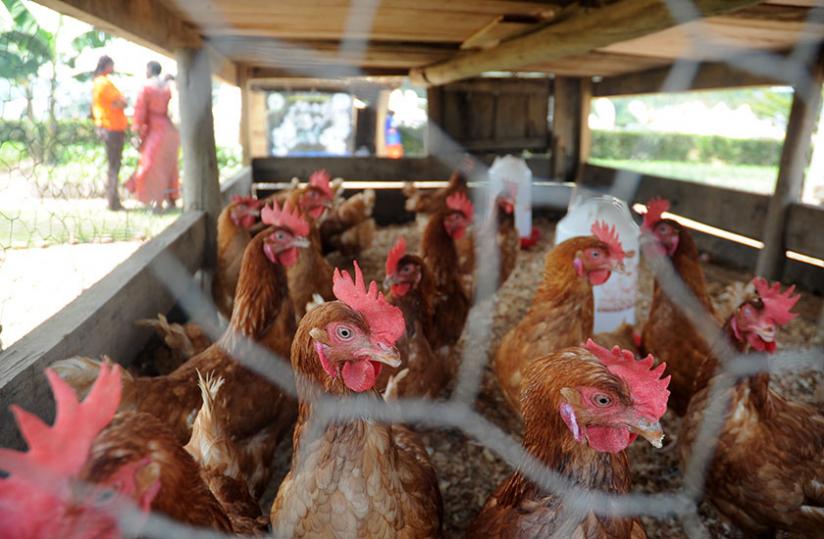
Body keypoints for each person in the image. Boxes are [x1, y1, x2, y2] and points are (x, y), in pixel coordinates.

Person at [126, 61, 180, 212]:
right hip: (170, 130)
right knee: (170, 165)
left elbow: (140, 111)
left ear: (149, 70)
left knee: (151, 165)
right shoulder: (168, 86)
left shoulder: (147, 87)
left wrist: (136, 131)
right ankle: (172, 199)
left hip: (155, 130)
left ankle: (156, 200)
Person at [91, 55, 127, 210]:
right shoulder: (104, 83)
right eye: (112, 65)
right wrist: (122, 102)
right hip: (111, 127)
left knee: (113, 165)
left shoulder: (98, 82)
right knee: (114, 165)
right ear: (106, 66)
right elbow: (120, 102)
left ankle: (113, 200)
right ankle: (113, 202)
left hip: (108, 126)